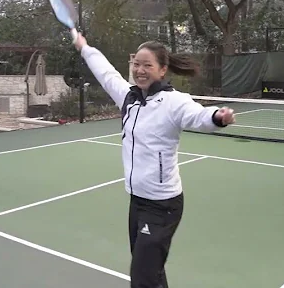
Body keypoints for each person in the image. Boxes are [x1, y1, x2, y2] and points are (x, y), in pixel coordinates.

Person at [74, 33, 235, 288]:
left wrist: (217, 117)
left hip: (162, 204)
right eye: (136, 64)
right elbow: (106, 74)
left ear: (162, 70)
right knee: (151, 272)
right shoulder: (129, 98)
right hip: (137, 201)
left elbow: (199, 115)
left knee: (142, 277)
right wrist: (85, 48)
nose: (140, 70)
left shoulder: (174, 102)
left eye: (147, 65)